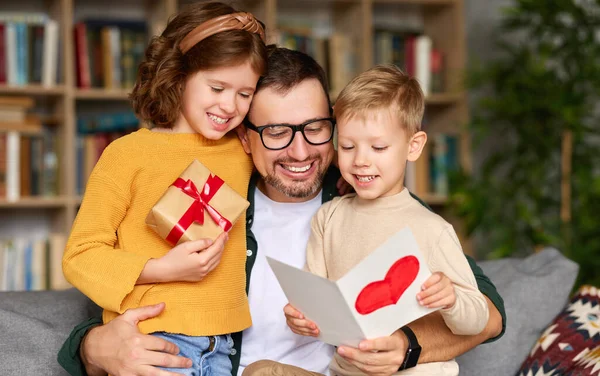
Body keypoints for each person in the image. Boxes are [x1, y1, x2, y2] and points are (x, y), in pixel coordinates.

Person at [58, 48, 506, 376]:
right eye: (275, 132)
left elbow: (488, 313)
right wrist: (94, 348)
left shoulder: (368, 198)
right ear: (243, 137)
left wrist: (407, 348)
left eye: (315, 128)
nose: (299, 150)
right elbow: (127, 280)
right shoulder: (210, 197)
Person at [61, 2, 267, 375]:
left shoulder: (244, 150)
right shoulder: (127, 154)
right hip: (150, 342)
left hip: (225, 350)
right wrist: (160, 269)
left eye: (245, 93)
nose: (229, 105)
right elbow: (80, 256)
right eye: (217, 87)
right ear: (179, 75)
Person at [247, 65, 488, 376]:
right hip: (345, 372)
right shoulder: (329, 218)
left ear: (413, 147)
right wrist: (304, 317)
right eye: (348, 147)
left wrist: (452, 300)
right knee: (260, 371)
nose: (361, 160)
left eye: (378, 148)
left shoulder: (431, 228)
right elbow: (316, 298)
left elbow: (479, 319)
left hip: (412, 373)